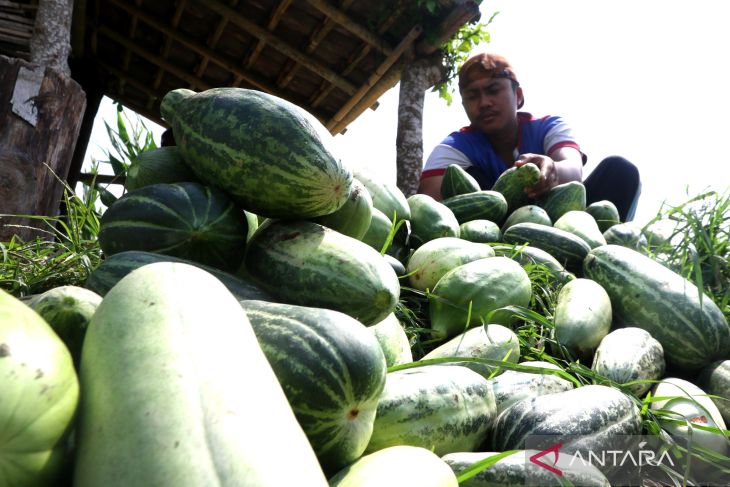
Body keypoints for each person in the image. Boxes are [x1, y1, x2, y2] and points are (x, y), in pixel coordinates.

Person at [418, 52, 641, 222]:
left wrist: (552, 170)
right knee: (465, 178)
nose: (484, 102)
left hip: (563, 225)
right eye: (473, 96)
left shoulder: (547, 126)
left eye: (494, 90)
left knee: (620, 170)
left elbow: (574, 171)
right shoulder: (455, 147)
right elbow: (429, 204)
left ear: (519, 96)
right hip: (497, 232)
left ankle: (607, 252)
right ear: (464, 105)